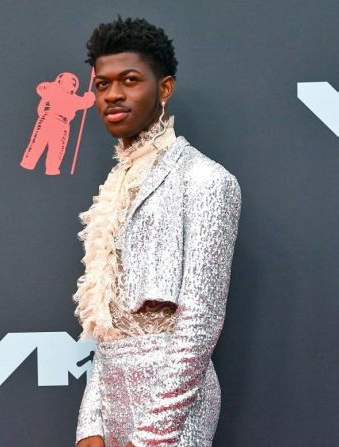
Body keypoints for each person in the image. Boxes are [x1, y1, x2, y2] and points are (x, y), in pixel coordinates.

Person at [73, 17, 241, 447]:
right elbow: (109, 329)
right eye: (102, 84)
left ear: (164, 89)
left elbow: (200, 325)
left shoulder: (205, 180)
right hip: (111, 398)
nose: (112, 94)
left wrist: (152, 435)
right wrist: (90, 425)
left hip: (175, 405)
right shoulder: (115, 189)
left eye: (129, 80)